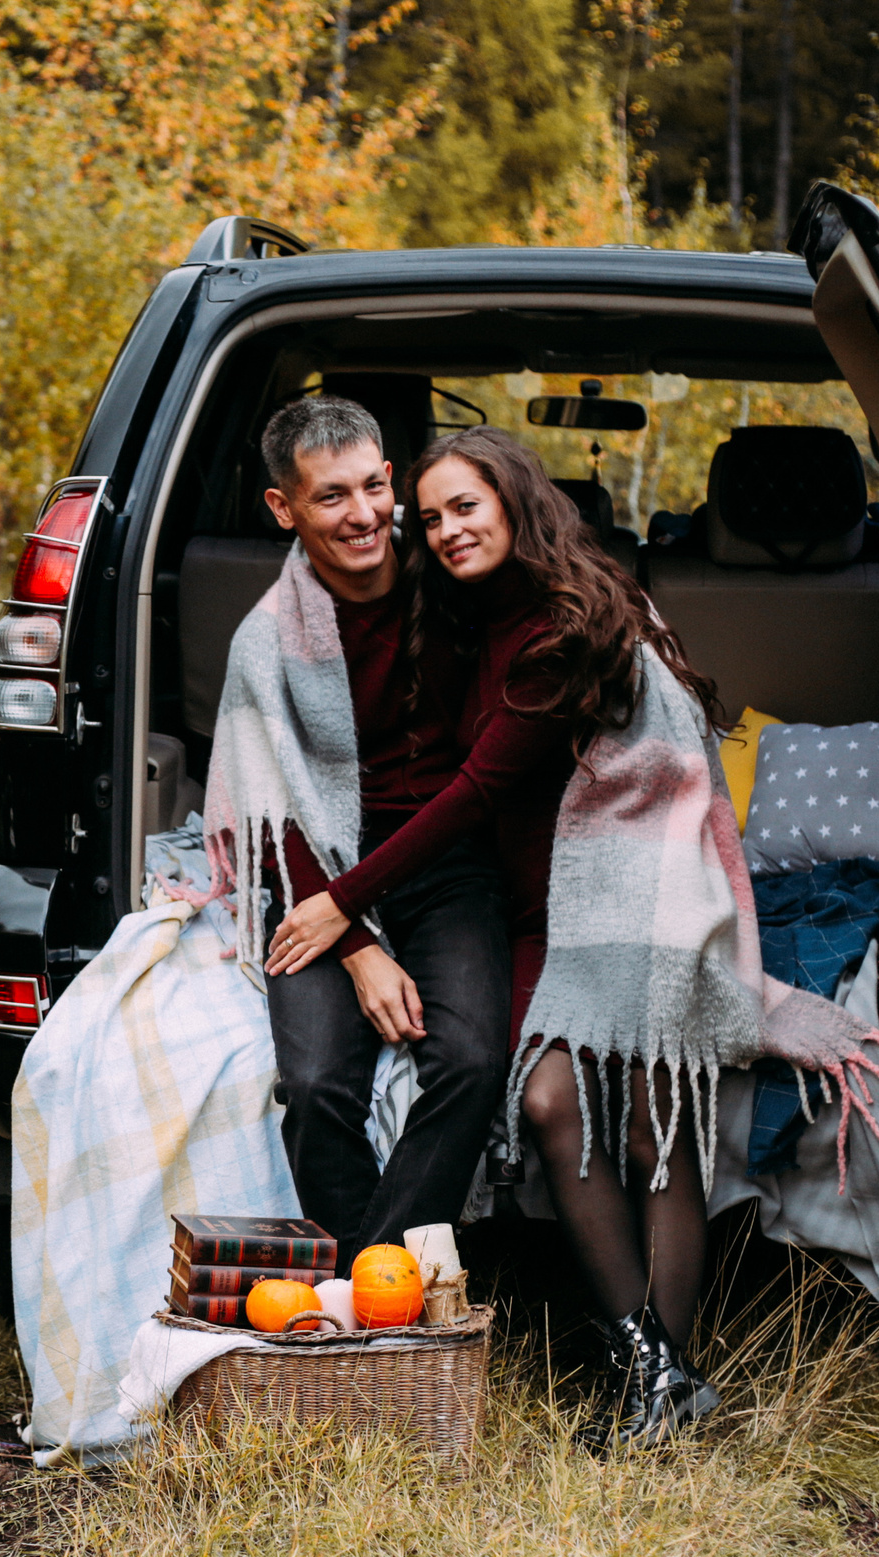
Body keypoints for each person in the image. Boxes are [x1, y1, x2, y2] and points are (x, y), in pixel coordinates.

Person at [264, 425, 731, 1450]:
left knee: (652, 1120)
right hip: (543, 913)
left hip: (642, 907)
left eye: (464, 506)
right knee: (549, 1098)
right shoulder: (462, 615)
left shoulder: (570, 627)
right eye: (428, 518)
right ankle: (652, 1365)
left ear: (516, 498)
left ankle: (659, 1376)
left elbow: (474, 795)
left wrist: (344, 902)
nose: (444, 530)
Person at [205, 396, 511, 1273]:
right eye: (332, 496)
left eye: (376, 485)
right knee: (312, 1086)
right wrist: (356, 944)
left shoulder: (456, 586)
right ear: (284, 508)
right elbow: (273, 808)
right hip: (320, 872)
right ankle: (379, 1294)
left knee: (471, 1059)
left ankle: (369, 1285)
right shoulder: (266, 639)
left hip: (451, 865)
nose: (367, 513)